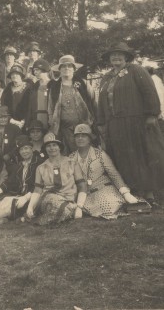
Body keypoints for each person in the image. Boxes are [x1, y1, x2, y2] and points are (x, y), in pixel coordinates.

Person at [99, 43, 164, 205]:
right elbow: (101, 102)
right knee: (121, 156)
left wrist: (151, 114)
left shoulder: (136, 71)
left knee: (140, 156)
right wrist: (101, 122)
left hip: (136, 121)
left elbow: (149, 92)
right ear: (109, 59)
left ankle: (148, 192)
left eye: (120, 54)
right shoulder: (106, 77)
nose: (116, 57)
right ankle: (131, 191)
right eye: (113, 55)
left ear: (126, 56)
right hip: (114, 124)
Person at [69, 124, 139, 220]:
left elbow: (113, 174)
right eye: (77, 136)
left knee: (106, 207)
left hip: (103, 188)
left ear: (90, 139)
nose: (80, 138)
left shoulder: (100, 154)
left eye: (83, 136)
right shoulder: (71, 158)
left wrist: (125, 193)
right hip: (85, 194)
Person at [26, 133, 87, 225]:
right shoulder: (41, 167)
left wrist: (79, 207)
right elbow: (37, 190)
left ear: (59, 147)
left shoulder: (72, 163)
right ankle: (65, 211)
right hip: (48, 198)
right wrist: (30, 207)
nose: (52, 148)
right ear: (45, 149)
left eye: (54, 145)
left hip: (69, 198)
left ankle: (42, 219)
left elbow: (82, 186)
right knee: (61, 208)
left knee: (64, 209)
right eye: (48, 146)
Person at [48, 55, 95, 153]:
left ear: (74, 69)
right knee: (69, 154)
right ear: (59, 69)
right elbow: (51, 108)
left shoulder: (83, 83)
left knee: (86, 152)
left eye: (69, 66)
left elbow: (94, 102)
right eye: (63, 66)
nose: (66, 68)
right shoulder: (54, 87)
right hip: (65, 129)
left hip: (84, 126)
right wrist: (53, 125)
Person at [1, 63, 31, 128]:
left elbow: (31, 106)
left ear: (21, 76)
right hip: (11, 122)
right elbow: (3, 105)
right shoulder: (7, 88)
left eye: (17, 74)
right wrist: (12, 120)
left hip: (25, 123)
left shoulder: (28, 87)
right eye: (12, 74)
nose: (14, 76)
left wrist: (23, 121)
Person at [25, 59, 51, 131]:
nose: (35, 72)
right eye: (34, 70)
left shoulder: (53, 85)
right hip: (36, 118)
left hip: (50, 119)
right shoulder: (34, 86)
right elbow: (30, 106)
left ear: (44, 69)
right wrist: (28, 123)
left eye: (37, 70)